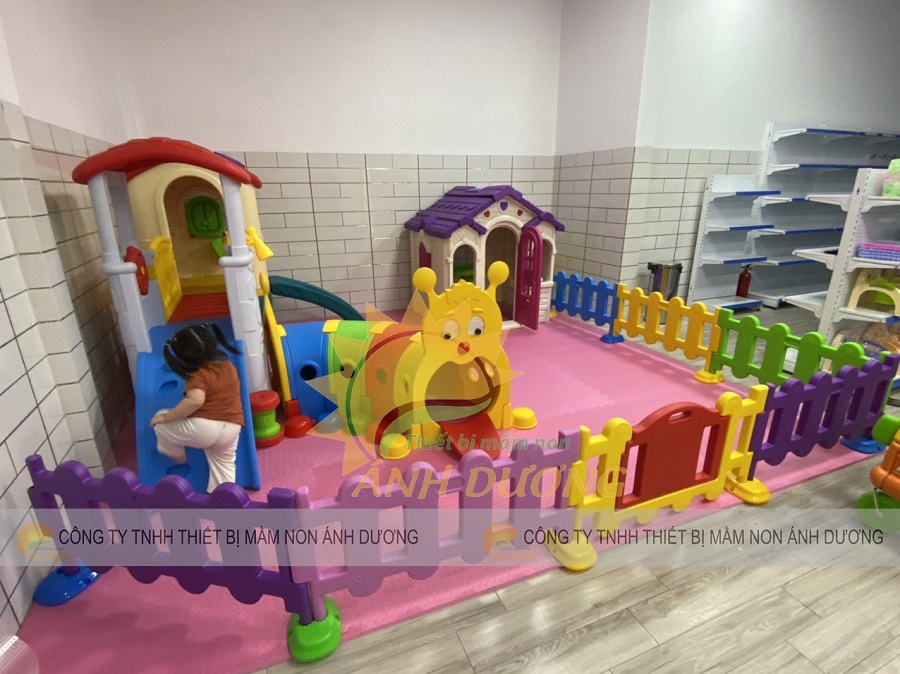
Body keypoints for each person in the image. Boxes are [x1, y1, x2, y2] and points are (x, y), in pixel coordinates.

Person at [151, 323, 244, 492]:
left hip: (205, 428)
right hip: (232, 426)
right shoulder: (228, 366)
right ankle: (225, 499)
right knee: (224, 465)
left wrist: (167, 417)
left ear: (183, 360)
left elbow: (195, 401)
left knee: (160, 420)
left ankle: (175, 452)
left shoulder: (198, 375)